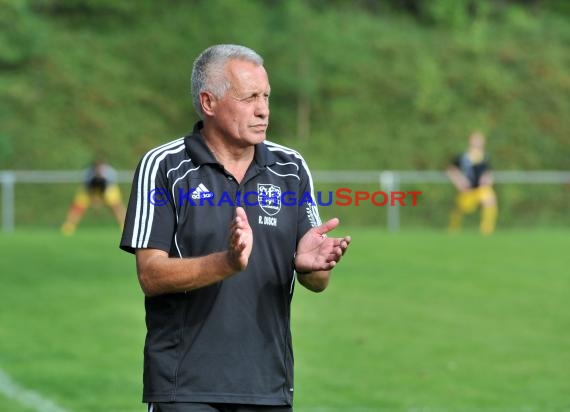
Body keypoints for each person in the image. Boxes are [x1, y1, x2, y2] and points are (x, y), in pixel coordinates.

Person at [120, 44, 351, 412]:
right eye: (249, 98)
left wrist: (314, 268)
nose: (263, 110)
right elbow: (150, 275)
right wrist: (225, 263)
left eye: (266, 97)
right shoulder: (164, 167)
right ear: (209, 103)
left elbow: (315, 282)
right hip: (185, 386)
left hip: (267, 386)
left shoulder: (290, 168)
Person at [446, 131, 498, 235]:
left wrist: (488, 179)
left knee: (490, 201)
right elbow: (450, 170)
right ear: (470, 141)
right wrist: (459, 182)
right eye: (476, 140)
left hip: (481, 189)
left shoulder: (485, 157)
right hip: (467, 190)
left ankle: (486, 230)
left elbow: (488, 172)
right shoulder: (463, 157)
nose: (478, 143)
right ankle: (452, 230)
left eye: (480, 141)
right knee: (461, 209)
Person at [60, 160, 126, 235]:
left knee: (117, 206)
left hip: (107, 189)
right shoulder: (88, 174)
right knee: (78, 207)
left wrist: (99, 200)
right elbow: (89, 188)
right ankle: (69, 226)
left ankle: (125, 225)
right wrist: (94, 200)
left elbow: (105, 188)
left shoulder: (110, 173)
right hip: (89, 190)